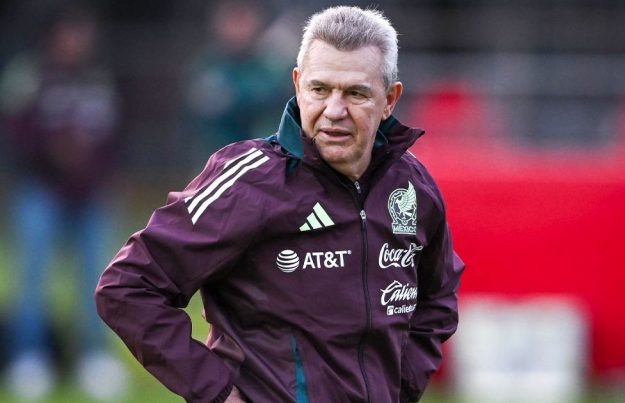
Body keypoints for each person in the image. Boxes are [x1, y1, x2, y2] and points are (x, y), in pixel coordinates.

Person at [95, 6, 464, 403]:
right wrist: (216, 391)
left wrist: (402, 388)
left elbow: (437, 297)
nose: (334, 111)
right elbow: (127, 287)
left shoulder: (411, 186)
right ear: (298, 85)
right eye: (320, 90)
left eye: (356, 93)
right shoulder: (249, 184)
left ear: (389, 99)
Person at [0, 6, 125, 401]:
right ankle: (28, 358)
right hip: (40, 191)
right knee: (32, 278)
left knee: (98, 278)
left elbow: (115, 135)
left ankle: (94, 358)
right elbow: (14, 131)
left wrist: (93, 167)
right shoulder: (29, 75)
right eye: (71, 33)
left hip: (91, 195)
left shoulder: (99, 79)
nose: (77, 41)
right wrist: (52, 152)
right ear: (54, 35)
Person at [184, 0, 292, 162]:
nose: (237, 29)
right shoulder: (208, 66)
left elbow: (285, 100)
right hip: (217, 162)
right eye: (231, 19)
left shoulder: (273, 64)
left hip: (265, 162)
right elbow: (205, 106)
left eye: (243, 20)